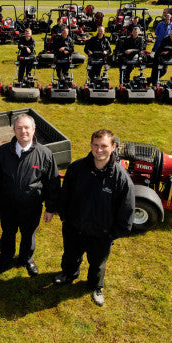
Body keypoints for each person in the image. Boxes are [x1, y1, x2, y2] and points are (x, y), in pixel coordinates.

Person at [51, 129, 135, 307]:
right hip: (74, 227)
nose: (99, 150)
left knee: (97, 263)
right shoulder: (77, 168)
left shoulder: (121, 178)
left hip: (101, 233)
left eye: (104, 146)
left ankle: (95, 286)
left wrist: (112, 234)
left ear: (113, 147)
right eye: (95, 145)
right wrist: (65, 218)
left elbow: (126, 209)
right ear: (90, 145)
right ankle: (69, 274)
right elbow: (64, 195)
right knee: (71, 255)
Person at [0, 114, 59, 276]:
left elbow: (52, 183)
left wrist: (51, 207)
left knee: (28, 234)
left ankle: (26, 258)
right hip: (7, 206)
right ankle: (5, 258)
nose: (23, 131)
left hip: (31, 208)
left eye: (27, 128)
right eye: (19, 128)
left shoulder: (45, 154)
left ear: (33, 130)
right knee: (8, 234)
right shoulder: (2, 152)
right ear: (14, 130)